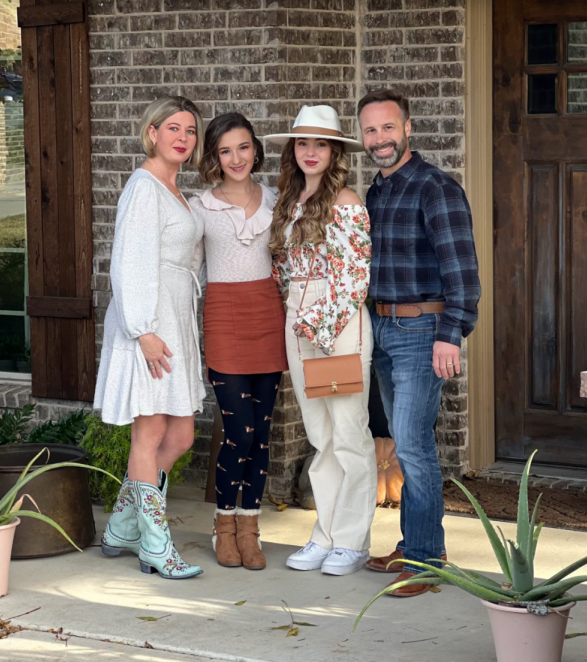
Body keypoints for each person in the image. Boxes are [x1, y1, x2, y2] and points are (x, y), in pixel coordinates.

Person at [357, 89, 481, 596]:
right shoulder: (377, 192)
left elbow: (463, 274)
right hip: (383, 330)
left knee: (411, 444)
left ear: (408, 128)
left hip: (422, 333)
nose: (379, 139)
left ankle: (428, 560)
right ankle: (415, 544)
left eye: (388, 128)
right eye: (370, 130)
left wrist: (450, 335)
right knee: (407, 443)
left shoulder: (436, 189)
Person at [94, 96, 206, 580]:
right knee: (151, 434)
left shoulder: (176, 190)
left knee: (181, 434)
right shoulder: (144, 188)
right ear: (153, 133)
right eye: (173, 128)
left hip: (175, 319)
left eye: (191, 131)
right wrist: (143, 331)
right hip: (149, 324)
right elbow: (129, 262)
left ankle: (121, 525)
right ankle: (156, 547)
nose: (183, 137)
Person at [265, 105, 376, 576]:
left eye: (321, 144)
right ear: (294, 149)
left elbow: (353, 277)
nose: (311, 152)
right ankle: (325, 534)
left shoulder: (346, 201)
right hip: (299, 323)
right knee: (320, 436)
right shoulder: (288, 202)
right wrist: (294, 322)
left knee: (350, 435)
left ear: (334, 152)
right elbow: (284, 272)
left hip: (339, 326)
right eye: (303, 143)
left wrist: (322, 328)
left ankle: (352, 541)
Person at [188, 113, 287, 571]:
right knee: (239, 429)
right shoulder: (200, 207)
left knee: (262, 432)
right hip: (224, 316)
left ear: (256, 150)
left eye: (243, 147)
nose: (236, 158)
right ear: (214, 156)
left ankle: (251, 528)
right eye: (225, 151)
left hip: (267, 312)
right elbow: (188, 271)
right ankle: (223, 525)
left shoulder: (277, 199)